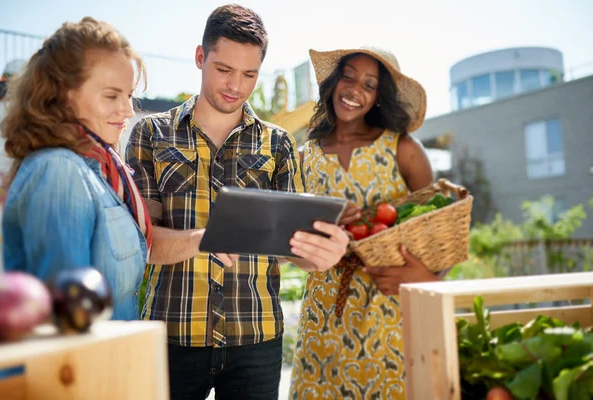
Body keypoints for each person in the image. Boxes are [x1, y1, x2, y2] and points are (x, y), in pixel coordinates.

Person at [125, 4, 349, 400]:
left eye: (249, 74)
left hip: (256, 339)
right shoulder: (150, 134)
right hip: (172, 334)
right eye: (224, 70)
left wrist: (319, 253)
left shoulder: (277, 144)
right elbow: (141, 243)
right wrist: (204, 238)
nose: (235, 86)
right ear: (200, 57)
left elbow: (291, 249)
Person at [289, 47, 450, 399]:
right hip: (323, 318)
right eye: (347, 76)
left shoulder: (403, 149)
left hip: (390, 315)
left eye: (369, 83)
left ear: (379, 96)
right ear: (333, 82)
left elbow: (442, 230)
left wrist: (427, 278)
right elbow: (291, 246)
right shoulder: (305, 158)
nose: (354, 89)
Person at [1, 17, 151, 320]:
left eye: (129, 95)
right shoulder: (59, 172)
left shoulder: (99, 169)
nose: (128, 110)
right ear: (64, 95)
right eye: (111, 95)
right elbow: (66, 323)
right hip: (88, 367)